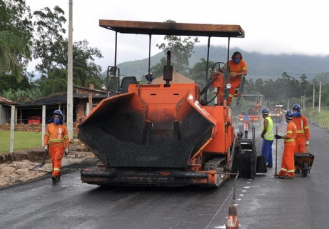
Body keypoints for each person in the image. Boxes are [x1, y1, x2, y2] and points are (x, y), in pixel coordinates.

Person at [44, 110, 70, 184]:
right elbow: (46, 136)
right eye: (55, 117)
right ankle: (58, 175)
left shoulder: (63, 127)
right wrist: (46, 145)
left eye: (57, 117)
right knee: (53, 161)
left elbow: (66, 138)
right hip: (51, 147)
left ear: (60, 118)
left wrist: (67, 148)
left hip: (60, 147)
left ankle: (54, 174)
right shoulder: (49, 126)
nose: (56, 118)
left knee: (57, 160)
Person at [275, 111, 297, 179]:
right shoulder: (293, 124)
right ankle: (282, 173)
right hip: (289, 144)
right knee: (284, 159)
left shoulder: (290, 125)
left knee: (288, 159)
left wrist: (280, 137)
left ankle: (291, 173)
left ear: (286, 117)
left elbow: (289, 136)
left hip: (289, 145)